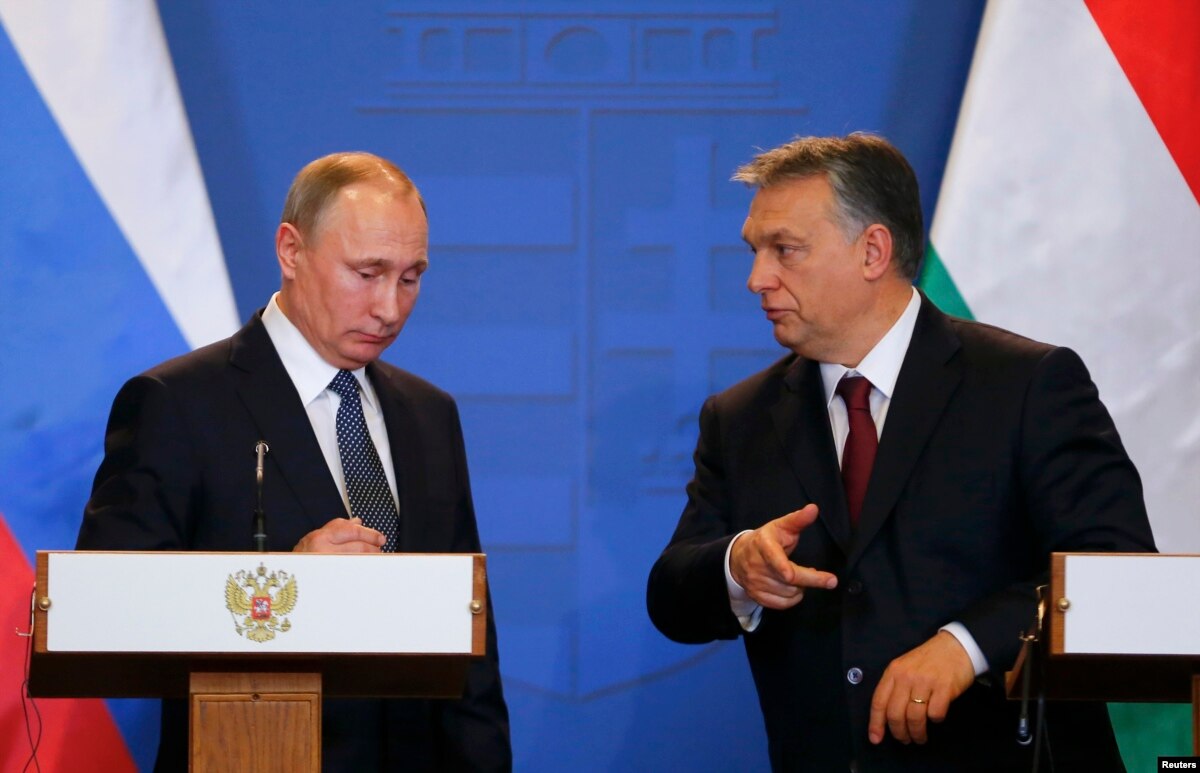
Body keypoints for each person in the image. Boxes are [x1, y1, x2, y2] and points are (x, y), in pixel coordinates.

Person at [645, 133, 1155, 771]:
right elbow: (672, 600)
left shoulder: (1027, 384)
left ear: (872, 251)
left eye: (785, 250)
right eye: (755, 251)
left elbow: (1123, 581)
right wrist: (735, 565)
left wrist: (968, 645)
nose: (757, 279)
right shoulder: (741, 417)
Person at [77, 152, 511, 771]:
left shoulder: (428, 413)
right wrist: (287, 584)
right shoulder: (177, 402)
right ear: (291, 251)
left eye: (410, 278)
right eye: (367, 273)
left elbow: (469, 645)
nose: (390, 308)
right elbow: (107, 610)